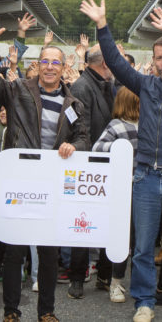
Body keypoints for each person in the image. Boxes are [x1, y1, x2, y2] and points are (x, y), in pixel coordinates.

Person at [80, 0, 162, 322]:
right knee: (142, 248)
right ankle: (144, 302)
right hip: (146, 177)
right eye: (159, 58)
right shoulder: (145, 85)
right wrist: (102, 26)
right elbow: (115, 62)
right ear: (152, 61)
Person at [0, 12, 88, 322]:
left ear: (64, 67)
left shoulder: (74, 104)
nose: (50, 67)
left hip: (52, 183)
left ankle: (47, 311)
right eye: (45, 61)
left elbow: (83, 137)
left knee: (49, 252)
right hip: (20, 179)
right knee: (14, 250)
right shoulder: (17, 91)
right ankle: (11, 311)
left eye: (56, 62)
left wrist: (74, 147)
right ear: (38, 65)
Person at [67, 42, 116, 296]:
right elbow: (80, 127)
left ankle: (105, 275)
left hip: (106, 163)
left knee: (108, 223)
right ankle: (77, 277)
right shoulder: (81, 86)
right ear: (105, 63)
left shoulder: (105, 83)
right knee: (82, 225)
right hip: (88, 165)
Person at [93, 86, 141, 304]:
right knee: (125, 237)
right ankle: (116, 282)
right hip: (124, 191)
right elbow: (97, 148)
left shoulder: (148, 123)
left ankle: (139, 284)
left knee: (142, 240)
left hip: (145, 189)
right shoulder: (117, 125)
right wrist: (121, 148)